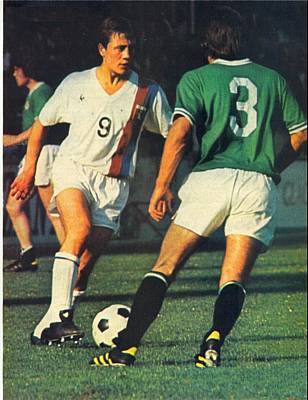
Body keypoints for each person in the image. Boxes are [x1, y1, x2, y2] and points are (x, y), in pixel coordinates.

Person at [91, 6, 307, 368]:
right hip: (257, 184)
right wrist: (272, 166)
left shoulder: (197, 78)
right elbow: (300, 135)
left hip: (212, 179)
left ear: (207, 44)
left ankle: (124, 348)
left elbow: (178, 134)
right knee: (233, 277)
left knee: (166, 265)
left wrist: (162, 185)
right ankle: (213, 343)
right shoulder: (272, 79)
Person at [11, 16, 172, 345]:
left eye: (130, 48)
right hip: (73, 169)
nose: (126, 54)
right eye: (119, 48)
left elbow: (173, 134)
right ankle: (61, 317)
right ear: (102, 50)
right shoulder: (76, 83)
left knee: (86, 264)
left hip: (114, 185)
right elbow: (42, 124)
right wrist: (29, 170)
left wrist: (164, 183)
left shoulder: (147, 92)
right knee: (79, 229)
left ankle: (48, 325)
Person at [4, 58, 66, 272]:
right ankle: (28, 254)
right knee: (13, 205)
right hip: (35, 155)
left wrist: (13, 139)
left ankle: (70, 256)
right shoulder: (34, 93)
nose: (14, 74)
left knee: (53, 211)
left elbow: (42, 126)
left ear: (26, 68)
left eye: (15, 69)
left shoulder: (42, 91)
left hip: (44, 153)